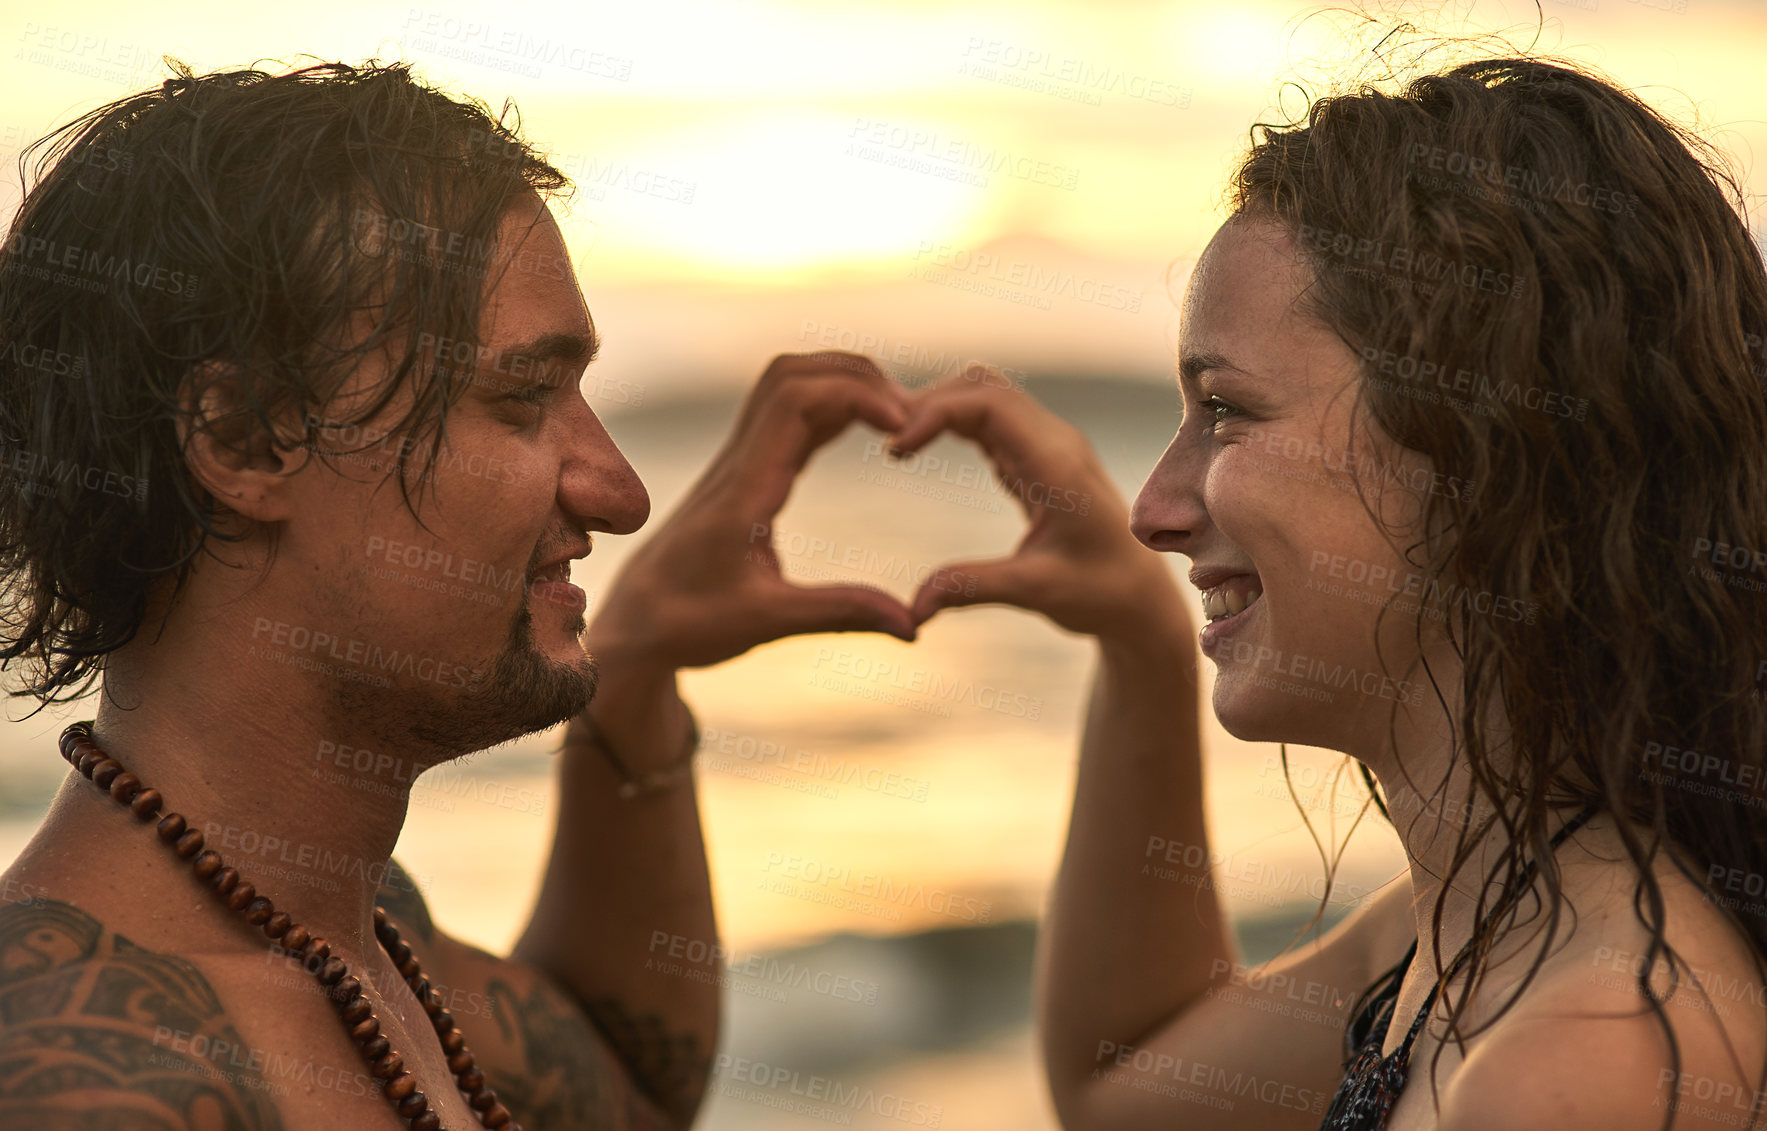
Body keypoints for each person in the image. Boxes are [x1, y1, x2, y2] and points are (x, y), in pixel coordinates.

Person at [0, 61, 919, 1130]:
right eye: (523, 398)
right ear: (243, 438)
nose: (621, 493)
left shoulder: (363, 940)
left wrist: (641, 662)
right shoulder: (86, 1079)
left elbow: (622, 1084)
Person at [880, 56, 1767, 1130]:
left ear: (1481, 452)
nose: (1152, 510)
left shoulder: (1587, 1060)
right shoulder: (1467, 925)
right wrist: (1138, 637)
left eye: (1226, 410)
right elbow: (1124, 1092)